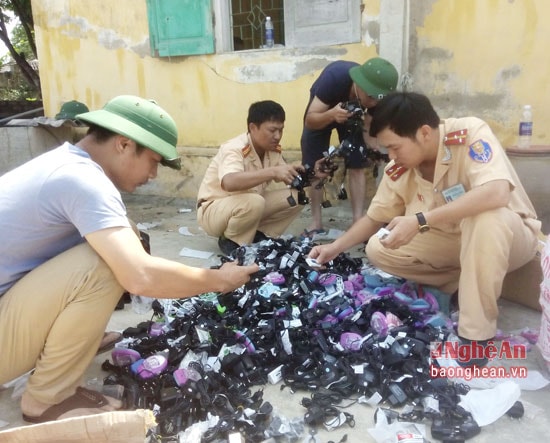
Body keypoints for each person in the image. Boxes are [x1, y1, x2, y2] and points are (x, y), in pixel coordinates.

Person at [0, 95, 258, 423]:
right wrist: (219, 279)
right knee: (106, 266)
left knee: (125, 237)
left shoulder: (66, 163)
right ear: (123, 144)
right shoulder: (84, 182)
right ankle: (48, 399)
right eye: (153, 161)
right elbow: (140, 276)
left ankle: (71, 344)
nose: (153, 174)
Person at [309, 92, 541, 360]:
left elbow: (497, 193)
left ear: (424, 133)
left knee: (485, 217)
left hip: (510, 235)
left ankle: (476, 336)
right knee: (378, 247)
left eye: (395, 147)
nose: (391, 156)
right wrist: (334, 248)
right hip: (455, 242)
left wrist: (420, 221)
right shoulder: (400, 167)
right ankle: (461, 282)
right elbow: (375, 218)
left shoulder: (469, 134)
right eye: (387, 149)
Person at [197, 100, 329, 255]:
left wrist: (313, 173)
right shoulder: (235, 148)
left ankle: (260, 235)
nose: (277, 136)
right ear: (253, 127)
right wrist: (273, 172)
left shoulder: (272, 151)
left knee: (299, 196)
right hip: (213, 211)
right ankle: (230, 241)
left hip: (248, 204)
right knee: (255, 201)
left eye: (281, 130)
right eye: (272, 130)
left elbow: (290, 178)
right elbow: (229, 182)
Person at [300, 57, 399, 237]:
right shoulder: (334, 79)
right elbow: (310, 120)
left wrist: (374, 149)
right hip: (323, 111)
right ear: (357, 84)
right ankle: (315, 222)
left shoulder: (377, 96)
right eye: (370, 97)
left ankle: (357, 220)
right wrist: (331, 115)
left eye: (378, 99)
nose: (373, 103)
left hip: (352, 116)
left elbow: (369, 127)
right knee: (316, 166)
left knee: (358, 160)